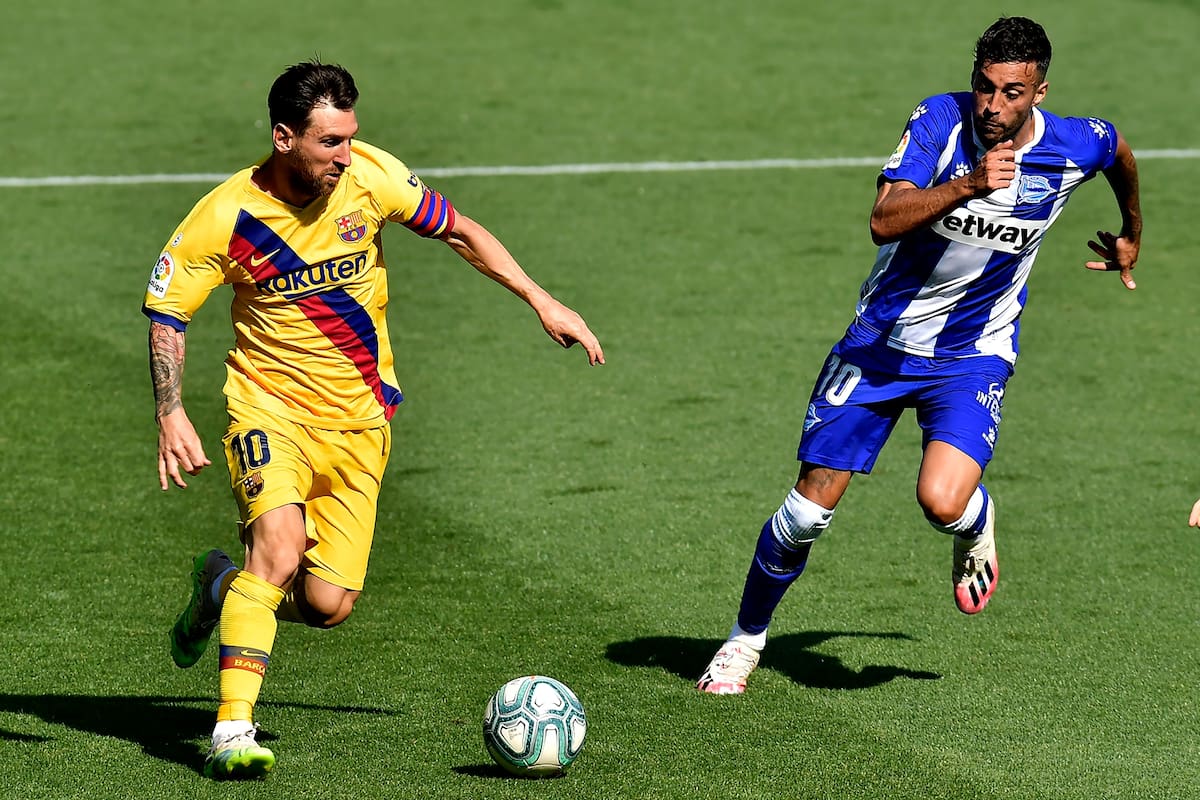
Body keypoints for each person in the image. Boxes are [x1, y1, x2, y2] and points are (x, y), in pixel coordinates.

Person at [144, 61, 604, 779]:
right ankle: (232, 729)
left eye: (351, 138)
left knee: (327, 604)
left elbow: (459, 231)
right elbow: (169, 313)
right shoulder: (226, 216)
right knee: (279, 545)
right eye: (330, 142)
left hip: (360, 423)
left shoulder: (372, 179)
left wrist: (541, 300)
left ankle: (219, 589)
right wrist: (170, 412)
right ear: (284, 137)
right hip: (269, 409)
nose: (346, 155)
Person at [697, 16, 1141, 695]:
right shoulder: (939, 122)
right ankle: (745, 639)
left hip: (973, 355)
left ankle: (976, 521)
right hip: (879, 347)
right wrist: (967, 184)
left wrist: (1132, 234)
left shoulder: (1075, 143)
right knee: (806, 514)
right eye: (985, 88)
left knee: (941, 502)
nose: (995, 107)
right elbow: (882, 218)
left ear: (1040, 92)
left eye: (1013, 93)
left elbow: (1118, 152)